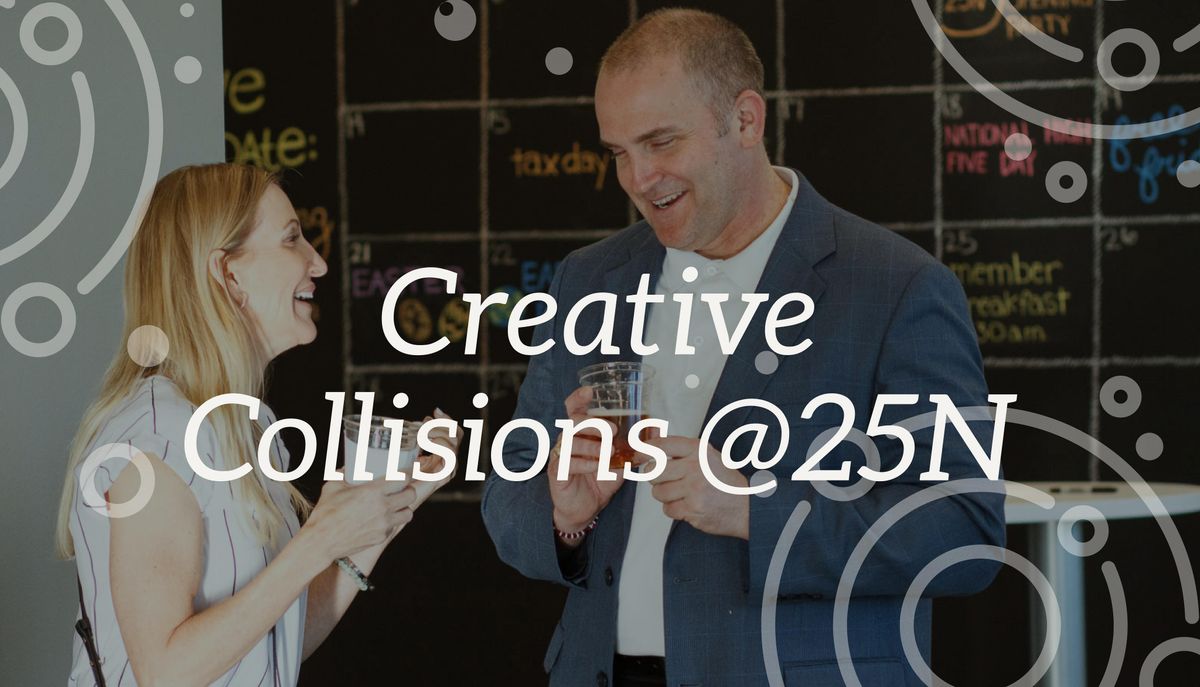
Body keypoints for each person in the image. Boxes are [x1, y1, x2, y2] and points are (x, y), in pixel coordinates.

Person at [482, 9, 1006, 686]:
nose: (639, 177)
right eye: (619, 153)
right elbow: (511, 486)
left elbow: (963, 531)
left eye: (662, 142)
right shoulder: (588, 278)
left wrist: (757, 511)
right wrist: (565, 517)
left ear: (746, 120)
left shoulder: (897, 287)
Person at [56, 163, 457, 686]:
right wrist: (317, 542)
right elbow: (165, 673)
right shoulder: (156, 436)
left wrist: (389, 508)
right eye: (291, 239)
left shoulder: (243, 425)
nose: (317, 262)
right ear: (228, 275)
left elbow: (276, 644)